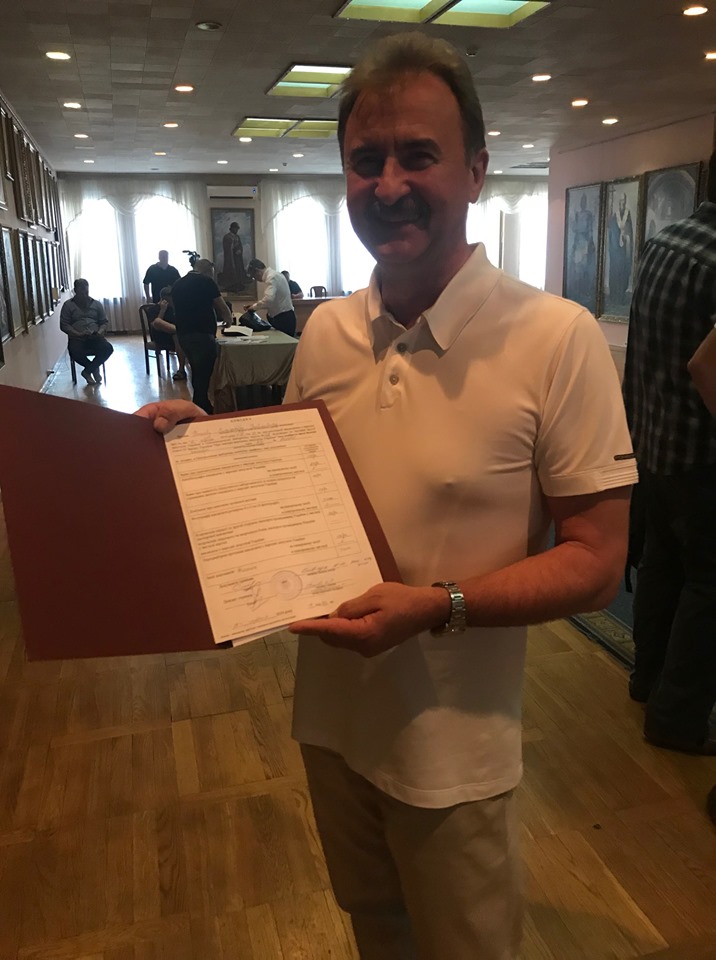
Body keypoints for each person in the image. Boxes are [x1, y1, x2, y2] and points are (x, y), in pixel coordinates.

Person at [137, 32, 635, 959]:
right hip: (331, 723)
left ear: (477, 170)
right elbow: (295, 487)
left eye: (418, 155)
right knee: (376, 935)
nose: (389, 183)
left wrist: (438, 606)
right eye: (366, 160)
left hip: (456, 754)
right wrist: (208, 448)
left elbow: (599, 563)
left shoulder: (557, 338)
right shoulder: (326, 330)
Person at [622, 150, 716, 757]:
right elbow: (706, 365)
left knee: (663, 568)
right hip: (703, 457)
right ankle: (677, 718)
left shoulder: (664, 243)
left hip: (654, 445)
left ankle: (647, 680)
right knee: (709, 586)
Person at [170, 259, 231, 413]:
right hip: (203, 334)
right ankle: (201, 406)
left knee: (196, 369)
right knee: (204, 372)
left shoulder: (178, 284)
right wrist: (229, 320)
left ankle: (199, 404)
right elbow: (221, 306)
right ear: (208, 271)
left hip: (184, 334)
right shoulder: (207, 282)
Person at [60, 278, 113, 384]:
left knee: (107, 349)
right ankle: (93, 368)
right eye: (81, 293)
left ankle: (87, 371)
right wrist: (78, 334)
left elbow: (104, 322)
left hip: (95, 336)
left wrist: (99, 332)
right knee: (75, 352)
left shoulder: (96, 304)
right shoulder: (68, 305)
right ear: (75, 291)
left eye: (86, 292)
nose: (84, 295)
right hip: (77, 337)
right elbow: (64, 325)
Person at [247, 258, 297, 336]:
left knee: (284, 343)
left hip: (283, 318)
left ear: (257, 271)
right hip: (285, 316)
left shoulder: (271, 277)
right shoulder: (276, 274)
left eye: (254, 277)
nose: (256, 280)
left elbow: (268, 299)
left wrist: (253, 308)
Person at [148, 286, 187, 381]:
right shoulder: (153, 309)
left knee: (176, 335)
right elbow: (155, 326)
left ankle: (181, 370)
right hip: (161, 336)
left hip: (176, 336)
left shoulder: (176, 308)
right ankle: (179, 331)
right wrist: (162, 310)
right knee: (158, 321)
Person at [607, 192, 634, 309]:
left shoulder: (628, 215)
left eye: (623, 201)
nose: (621, 203)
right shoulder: (615, 216)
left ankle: (621, 296)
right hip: (616, 251)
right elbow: (612, 231)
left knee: (623, 273)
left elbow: (630, 231)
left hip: (624, 250)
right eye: (620, 202)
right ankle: (614, 296)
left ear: (625, 202)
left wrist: (626, 236)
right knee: (615, 272)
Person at [219, 221, 249, 292]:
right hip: (230, 258)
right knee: (231, 269)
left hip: (237, 258)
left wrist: (239, 250)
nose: (236, 230)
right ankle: (231, 285)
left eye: (237, 229)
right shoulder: (227, 237)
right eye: (235, 228)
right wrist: (232, 249)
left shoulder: (237, 237)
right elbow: (227, 248)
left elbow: (240, 246)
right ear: (232, 228)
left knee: (238, 270)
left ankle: (238, 284)